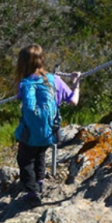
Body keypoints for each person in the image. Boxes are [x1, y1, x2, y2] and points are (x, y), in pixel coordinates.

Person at [14, 45, 80, 207]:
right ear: (42, 60)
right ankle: (41, 181)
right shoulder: (55, 80)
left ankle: (32, 192)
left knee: (25, 160)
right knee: (40, 155)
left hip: (29, 134)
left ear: (22, 64)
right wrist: (76, 84)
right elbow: (74, 101)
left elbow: (20, 98)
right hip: (50, 133)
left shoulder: (24, 83)